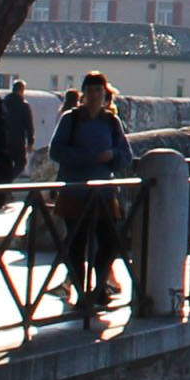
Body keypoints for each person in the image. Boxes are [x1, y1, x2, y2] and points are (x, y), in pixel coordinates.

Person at [48, 73, 131, 310]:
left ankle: (99, 285)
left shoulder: (112, 122)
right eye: (91, 90)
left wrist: (112, 156)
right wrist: (86, 157)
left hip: (103, 193)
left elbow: (124, 155)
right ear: (84, 93)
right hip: (75, 191)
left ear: (105, 94)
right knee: (76, 242)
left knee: (109, 241)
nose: (95, 95)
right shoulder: (70, 119)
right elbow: (56, 151)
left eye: (99, 90)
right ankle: (81, 288)